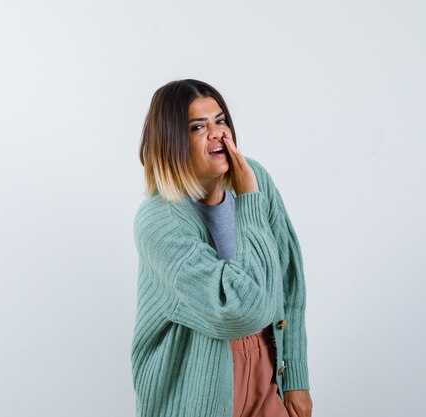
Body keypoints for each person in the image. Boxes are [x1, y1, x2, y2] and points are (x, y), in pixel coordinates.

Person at [131, 79, 313, 417]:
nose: (218, 133)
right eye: (198, 127)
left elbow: (288, 280)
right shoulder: (159, 221)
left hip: (265, 363)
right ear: (172, 141)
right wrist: (249, 202)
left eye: (221, 120)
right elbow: (239, 311)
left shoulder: (254, 178)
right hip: (194, 383)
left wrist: (297, 376)